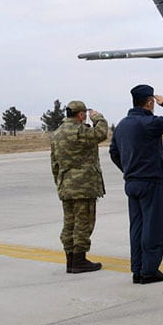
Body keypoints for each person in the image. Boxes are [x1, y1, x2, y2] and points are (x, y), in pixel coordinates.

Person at [109, 84, 163, 284]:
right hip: (149, 181)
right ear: (149, 102)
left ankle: (138, 269)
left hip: (131, 181)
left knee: (137, 227)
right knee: (154, 227)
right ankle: (149, 270)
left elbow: (113, 153)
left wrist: (128, 170)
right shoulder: (148, 122)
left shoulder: (123, 125)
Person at [50, 100, 108, 274]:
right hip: (83, 185)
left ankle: (70, 259)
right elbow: (101, 133)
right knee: (83, 222)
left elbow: (54, 163)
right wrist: (98, 118)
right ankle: (79, 260)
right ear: (81, 114)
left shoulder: (57, 133)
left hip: (66, 184)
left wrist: (60, 182)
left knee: (69, 223)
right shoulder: (80, 130)